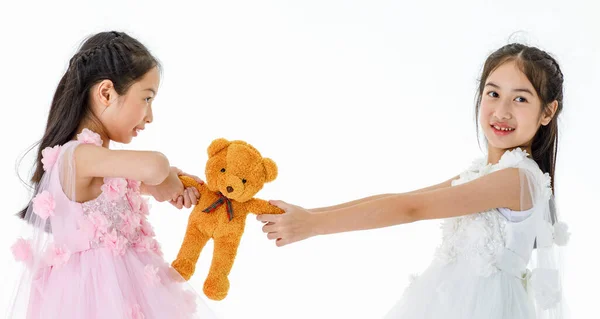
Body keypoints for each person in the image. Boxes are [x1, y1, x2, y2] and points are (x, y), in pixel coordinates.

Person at [258, 43, 570, 318]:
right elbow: (404, 197)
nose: (501, 111)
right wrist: (309, 216)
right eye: (493, 93)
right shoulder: (485, 173)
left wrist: (313, 225)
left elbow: (411, 208)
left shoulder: (517, 179)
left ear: (547, 112)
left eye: (520, 99)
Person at [7, 31, 217, 319]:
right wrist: (164, 174)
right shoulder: (76, 155)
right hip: (96, 299)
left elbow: (140, 180)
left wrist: (166, 185)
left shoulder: (102, 166)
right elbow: (154, 166)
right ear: (106, 93)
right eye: (146, 98)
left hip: (126, 291)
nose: (150, 115)